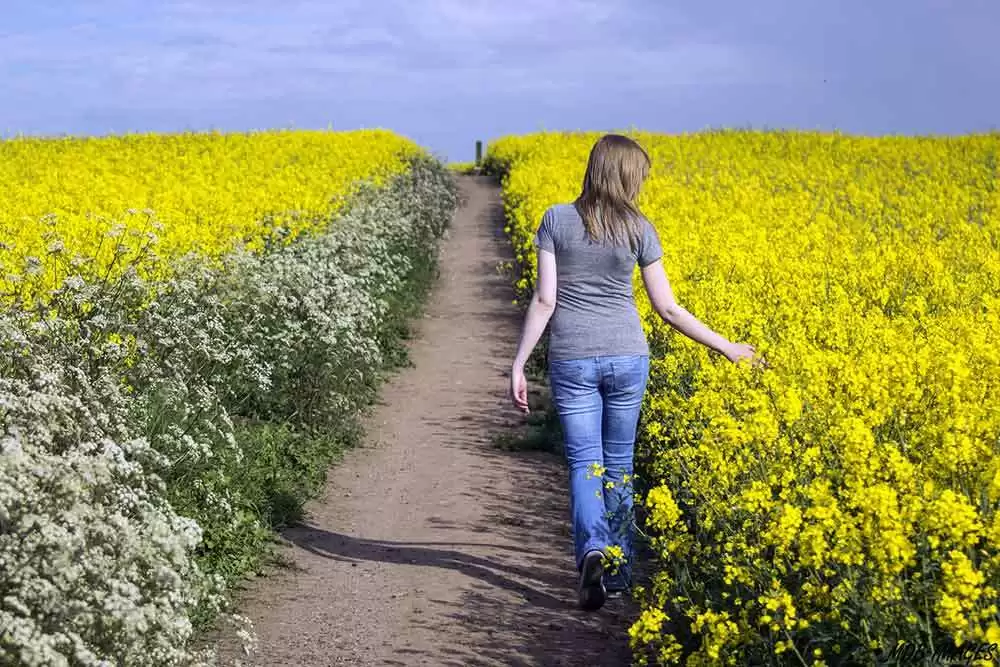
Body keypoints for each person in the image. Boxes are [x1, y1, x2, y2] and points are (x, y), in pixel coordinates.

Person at [508, 133, 763, 612]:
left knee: (585, 462)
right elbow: (668, 308)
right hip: (629, 357)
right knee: (620, 465)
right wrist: (726, 347)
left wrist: (519, 362)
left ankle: (592, 551)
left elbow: (545, 300)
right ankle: (620, 571)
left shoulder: (555, 220)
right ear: (627, 176)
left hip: (573, 357)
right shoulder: (640, 228)